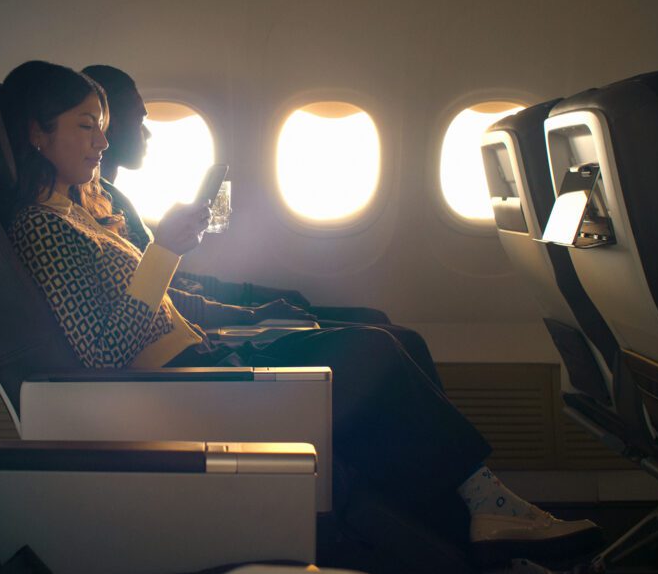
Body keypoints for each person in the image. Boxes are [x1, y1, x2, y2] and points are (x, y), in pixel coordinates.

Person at [1, 60, 603, 574]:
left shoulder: (89, 208)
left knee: (391, 355)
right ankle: (489, 524)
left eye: (102, 125)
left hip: (200, 365)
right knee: (371, 351)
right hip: (176, 393)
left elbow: (153, 302)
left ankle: (493, 555)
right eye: (85, 126)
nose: (103, 141)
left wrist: (228, 305)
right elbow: (105, 353)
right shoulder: (41, 228)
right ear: (37, 132)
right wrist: (164, 249)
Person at [80, 63, 438, 377]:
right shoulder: (77, 218)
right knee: (389, 342)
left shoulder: (112, 200)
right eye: (139, 118)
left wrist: (251, 298)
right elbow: (162, 297)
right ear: (107, 122)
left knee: (381, 326)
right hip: (192, 354)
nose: (148, 131)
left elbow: (173, 286)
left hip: (197, 328)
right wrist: (251, 312)